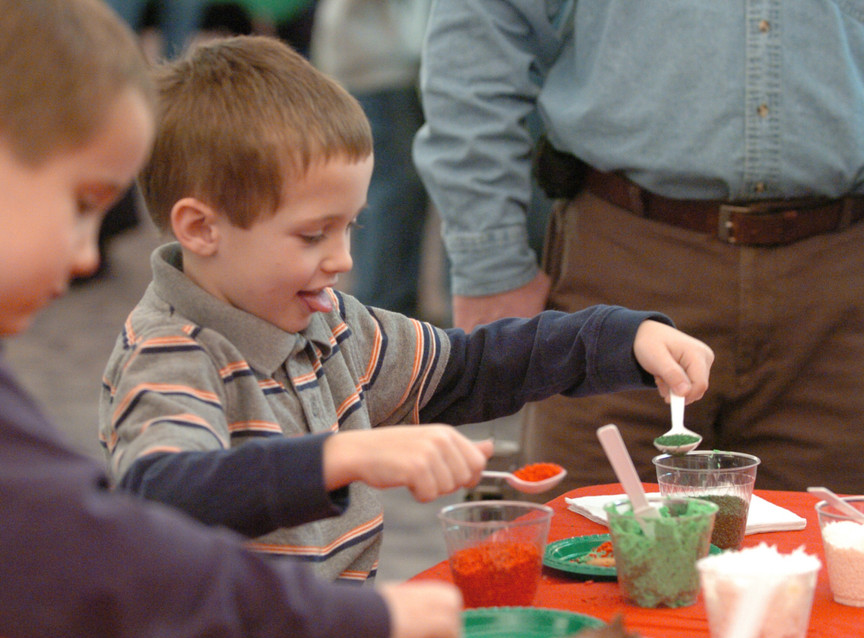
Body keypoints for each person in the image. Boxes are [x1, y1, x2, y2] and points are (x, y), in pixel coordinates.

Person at [0, 2, 468, 638]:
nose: (87, 256)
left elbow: (3, 593)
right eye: (83, 204)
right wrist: (361, 622)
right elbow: (107, 560)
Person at [98, 35, 714, 583]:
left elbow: (469, 368)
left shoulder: (332, 324)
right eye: (313, 235)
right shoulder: (171, 353)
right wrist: (346, 455)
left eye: (351, 227)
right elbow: (159, 494)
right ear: (202, 228)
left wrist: (618, 339)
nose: (342, 258)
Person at [413, 1, 864, 493]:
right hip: (624, 260)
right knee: (589, 547)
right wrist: (490, 263)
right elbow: (481, 32)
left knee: (831, 552)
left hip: (839, 289)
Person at [311, 0, 433, 319]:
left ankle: (381, 319)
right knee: (389, 198)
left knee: (387, 195)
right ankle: (381, 322)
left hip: (378, 55)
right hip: (382, 59)